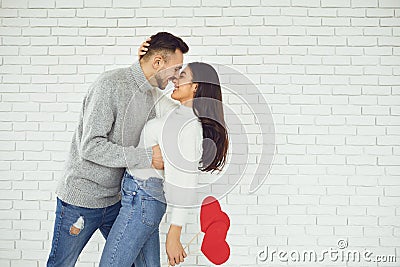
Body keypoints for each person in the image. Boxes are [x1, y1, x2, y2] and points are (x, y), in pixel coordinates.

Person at [46, 32, 189, 267]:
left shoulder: (152, 95)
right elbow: (90, 146)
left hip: (116, 201)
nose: (176, 76)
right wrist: (146, 157)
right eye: (176, 69)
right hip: (81, 201)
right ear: (157, 62)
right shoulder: (110, 84)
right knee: (61, 263)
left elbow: (181, 114)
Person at [99, 61, 229, 267]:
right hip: (140, 198)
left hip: (141, 199)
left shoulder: (186, 126)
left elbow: (185, 183)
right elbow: (150, 91)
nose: (176, 80)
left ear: (195, 86)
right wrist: (147, 62)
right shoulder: (177, 114)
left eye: (182, 76)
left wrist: (174, 233)